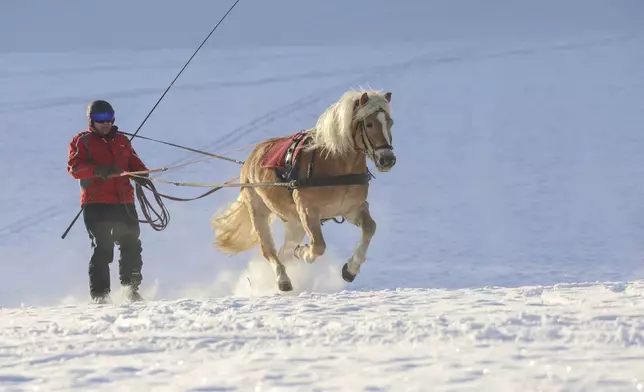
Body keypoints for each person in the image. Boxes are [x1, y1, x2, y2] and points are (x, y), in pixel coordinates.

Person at [67, 100, 151, 304]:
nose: (105, 123)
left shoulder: (122, 140)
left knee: (131, 243)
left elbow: (135, 164)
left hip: (124, 201)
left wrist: (141, 174)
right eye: (100, 119)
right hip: (97, 203)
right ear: (91, 120)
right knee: (103, 246)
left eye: (109, 118)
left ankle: (131, 289)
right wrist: (97, 171)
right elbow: (74, 168)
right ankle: (100, 295)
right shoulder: (82, 141)